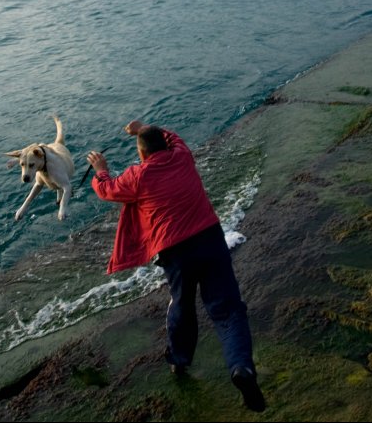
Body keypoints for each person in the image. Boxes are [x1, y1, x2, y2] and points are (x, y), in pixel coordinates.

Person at [87, 120, 266, 412]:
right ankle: (241, 368)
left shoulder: (137, 176)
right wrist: (144, 127)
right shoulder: (182, 155)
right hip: (210, 238)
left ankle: (180, 361)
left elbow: (107, 189)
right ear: (166, 145)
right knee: (228, 309)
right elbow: (174, 137)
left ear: (142, 154)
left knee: (182, 305)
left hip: (175, 252)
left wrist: (100, 169)